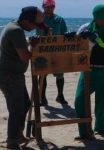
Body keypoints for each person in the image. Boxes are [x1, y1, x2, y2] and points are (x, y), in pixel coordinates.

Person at [0, 6, 45, 150]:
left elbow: (17, 47)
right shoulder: (16, 30)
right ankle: (12, 141)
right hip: (9, 75)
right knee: (16, 109)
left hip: (13, 74)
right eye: (34, 24)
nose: (34, 28)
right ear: (26, 20)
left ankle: (18, 135)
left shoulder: (14, 25)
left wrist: (27, 43)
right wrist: (32, 46)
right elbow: (25, 56)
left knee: (24, 104)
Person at [75, 4, 104, 139]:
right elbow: (76, 48)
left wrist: (97, 39)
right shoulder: (85, 27)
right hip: (88, 70)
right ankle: (84, 132)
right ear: (93, 17)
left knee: (103, 102)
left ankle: (101, 130)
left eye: (103, 18)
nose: (100, 21)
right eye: (97, 18)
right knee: (80, 100)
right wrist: (75, 37)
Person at [36, 0, 68, 106]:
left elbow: (65, 34)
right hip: (43, 51)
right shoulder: (39, 19)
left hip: (57, 51)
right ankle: (42, 97)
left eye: (51, 7)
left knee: (60, 74)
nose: (49, 9)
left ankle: (60, 95)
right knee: (42, 74)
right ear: (43, 7)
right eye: (47, 7)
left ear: (54, 7)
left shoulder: (59, 19)